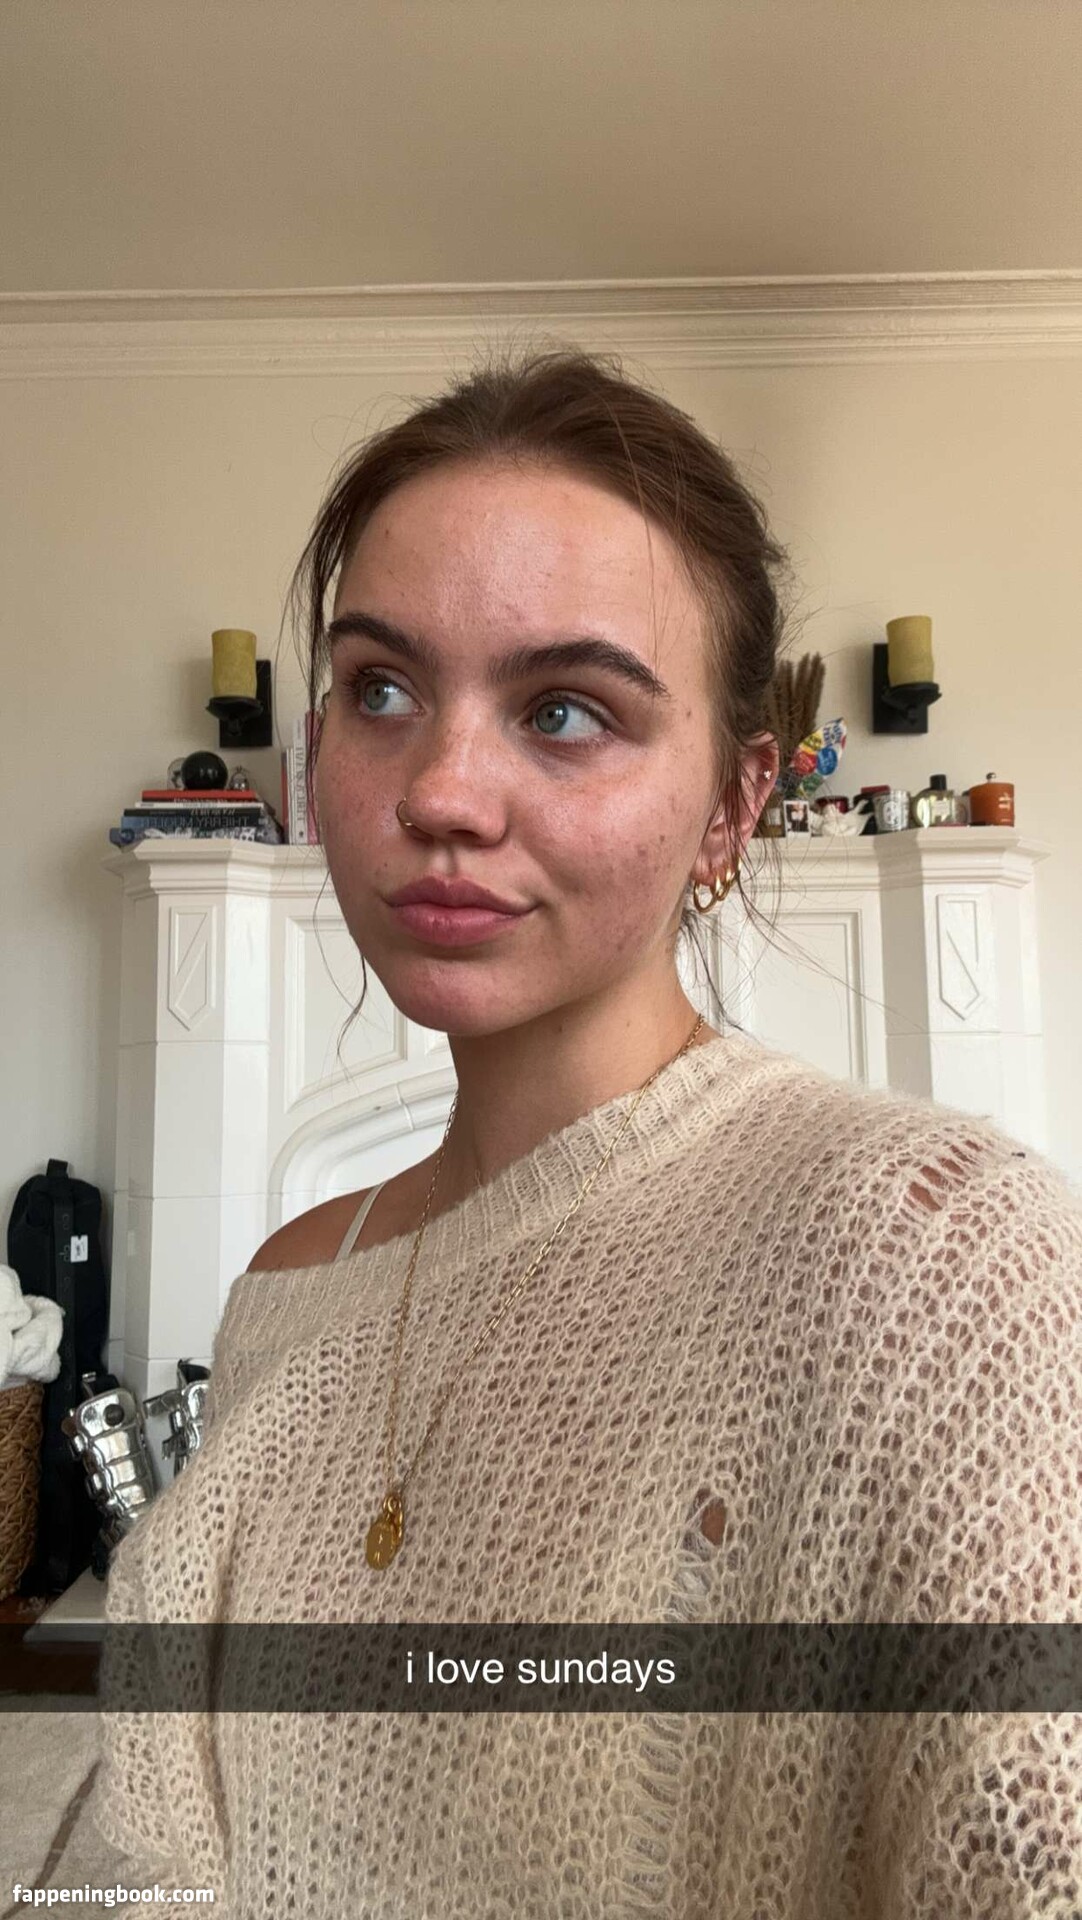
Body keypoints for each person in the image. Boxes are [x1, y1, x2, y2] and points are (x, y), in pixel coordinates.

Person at [90, 345, 1082, 1916]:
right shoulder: (286, 1287)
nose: (441, 792)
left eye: (563, 711)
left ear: (732, 806)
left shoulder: (945, 1265)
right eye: (381, 689)